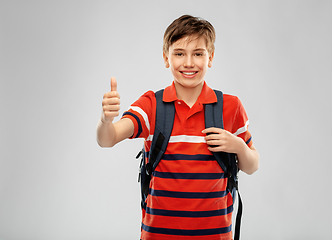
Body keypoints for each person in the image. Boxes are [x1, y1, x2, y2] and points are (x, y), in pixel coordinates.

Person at [97, 14, 259, 240]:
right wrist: (106, 120)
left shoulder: (231, 107)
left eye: (198, 54)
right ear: (166, 58)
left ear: (210, 57)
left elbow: (252, 165)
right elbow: (107, 139)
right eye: (179, 53)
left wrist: (239, 146)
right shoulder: (152, 105)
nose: (189, 62)